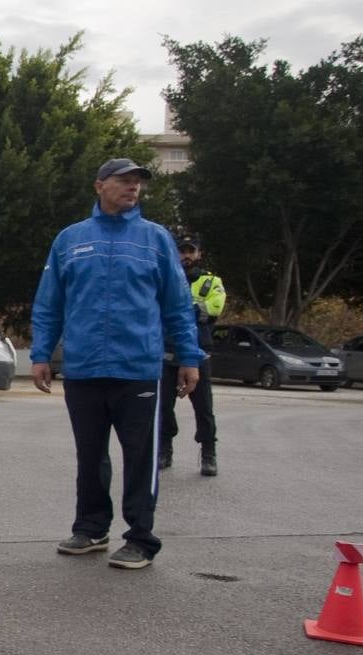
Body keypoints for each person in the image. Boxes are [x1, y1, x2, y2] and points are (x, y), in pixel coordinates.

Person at [29, 158, 203, 570]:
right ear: (100, 185)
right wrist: (41, 354)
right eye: (124, 181)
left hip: (138, 368)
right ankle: (91, 527)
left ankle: (141, 538)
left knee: (140, 456)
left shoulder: (155, 239)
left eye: (138, 182)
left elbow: (178, 306)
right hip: (85, 367)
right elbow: (49, 302)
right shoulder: (70, 240)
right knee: (90, 454)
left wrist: (188, 357)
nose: (133, 188)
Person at [159, 236, 225, 475]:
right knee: (163, 407)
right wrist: (191, 310)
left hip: (199, 351)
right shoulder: (165, 278)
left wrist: (180, 311)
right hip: (167, 350)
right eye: (182, 251)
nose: (186, 255)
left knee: (204, 408)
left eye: (191, 251)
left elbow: (214, 309)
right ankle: (164, 449)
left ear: (199, 254)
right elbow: (157, 312)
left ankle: (209, 453)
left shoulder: (210, 281)